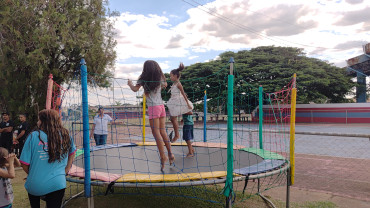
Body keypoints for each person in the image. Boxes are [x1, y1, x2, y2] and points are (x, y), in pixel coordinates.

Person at [20, 109, 76, 208]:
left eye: (39, 119)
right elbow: (73, 152)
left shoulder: (33, 136)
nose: (37, 122)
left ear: (43, 121)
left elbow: (24, 163)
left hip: (36, 184)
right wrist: (66, 169)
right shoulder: (65, 135)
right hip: (58, 183)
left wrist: (33, 173)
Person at [128, 60, 175, 171]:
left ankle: (163, 156)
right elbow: (165, 84)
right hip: (161, 107)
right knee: (163, 131)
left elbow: (135, 89)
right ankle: (170, 154)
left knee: (156, 133)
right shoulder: (160, 77)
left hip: (153, 107)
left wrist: (130, 84)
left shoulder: (143, 77)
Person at [166, 63, 193, 143]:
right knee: (172, 118)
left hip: (178, 101)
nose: (170, 77)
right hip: (174, 101)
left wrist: (187, 103)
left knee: (173, 117)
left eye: (171, 76)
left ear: (175, 76)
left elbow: (183, 93)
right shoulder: (174, 84)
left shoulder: (178, 84)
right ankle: (177, 134)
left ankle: (177, 135)